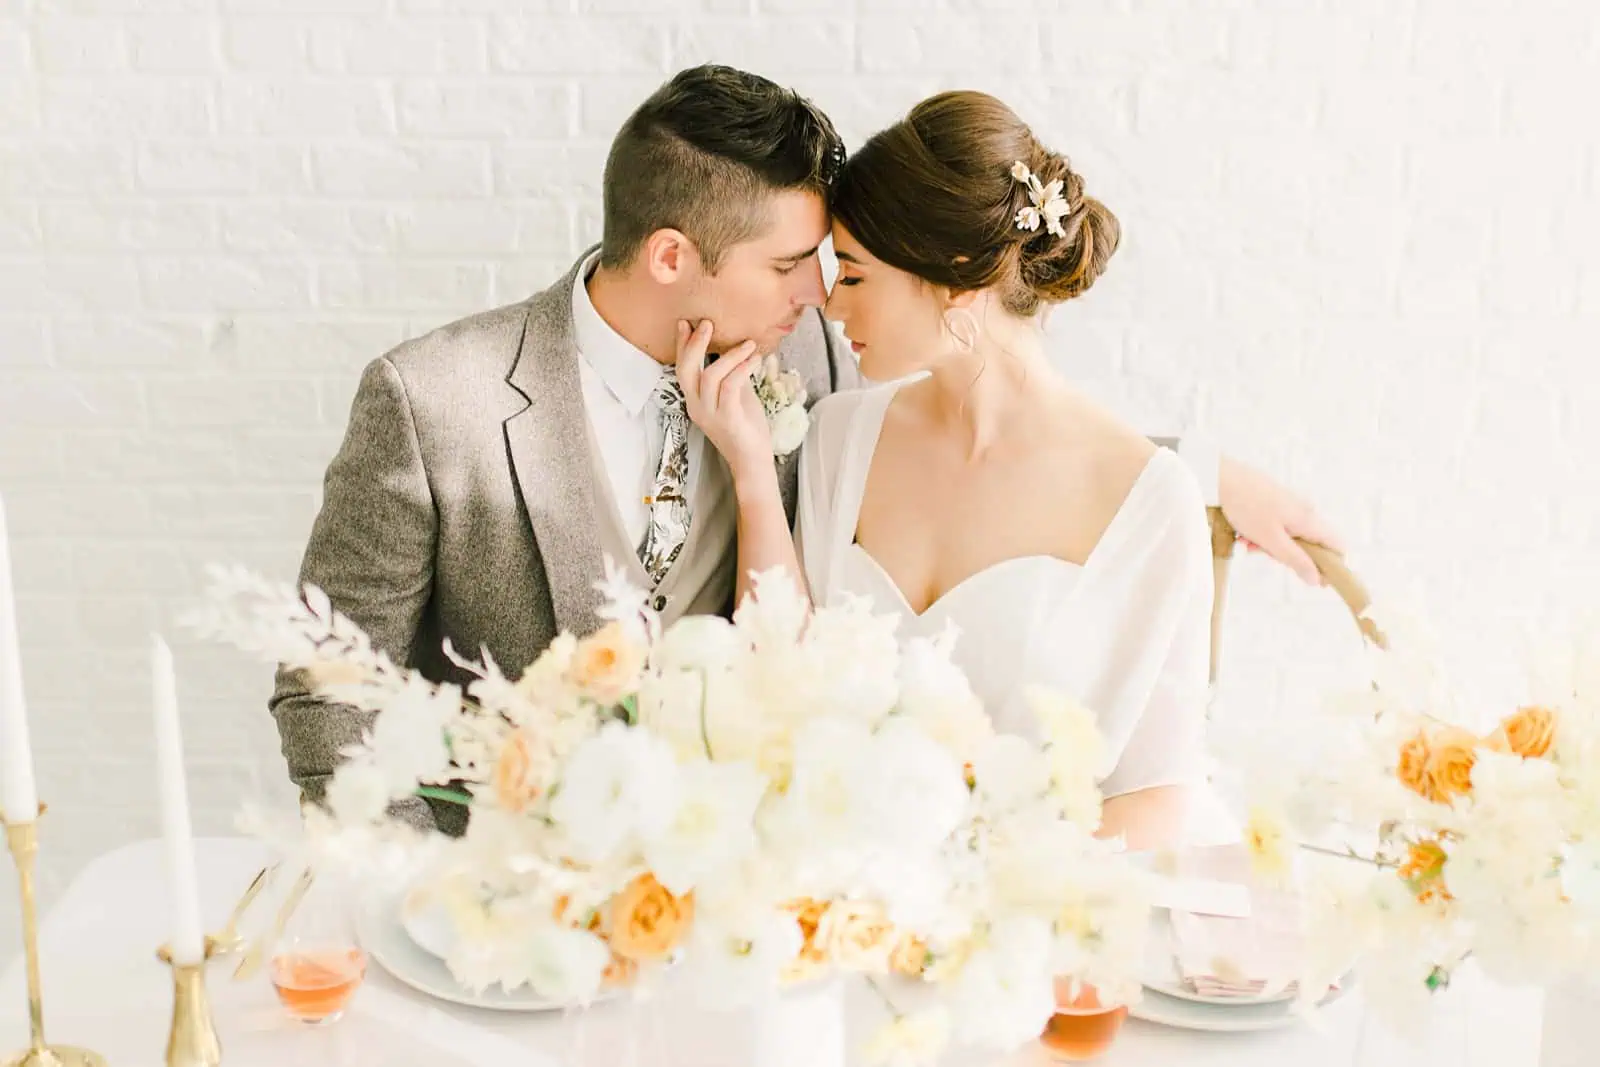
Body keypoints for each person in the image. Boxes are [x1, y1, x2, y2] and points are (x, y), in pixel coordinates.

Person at [274, 66, 1332, 834]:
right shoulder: (430, 402)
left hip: (752, 891)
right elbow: (328, 689)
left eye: (836, 268)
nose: (821, 293)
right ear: (674, 254)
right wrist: (418, 896)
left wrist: (1205, 472)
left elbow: (996, 430)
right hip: (506, 901)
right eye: (792, 263)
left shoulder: (819, 364)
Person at [686, 90, 1258, 849]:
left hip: (1034, 914)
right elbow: (777, 673)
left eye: (853, 276)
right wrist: (753, 473)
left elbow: (1158, 792)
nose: (827, 304)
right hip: (840, 888)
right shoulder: (840, 435)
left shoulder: (1148, 502)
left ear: (956, 278)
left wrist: (989, 901)